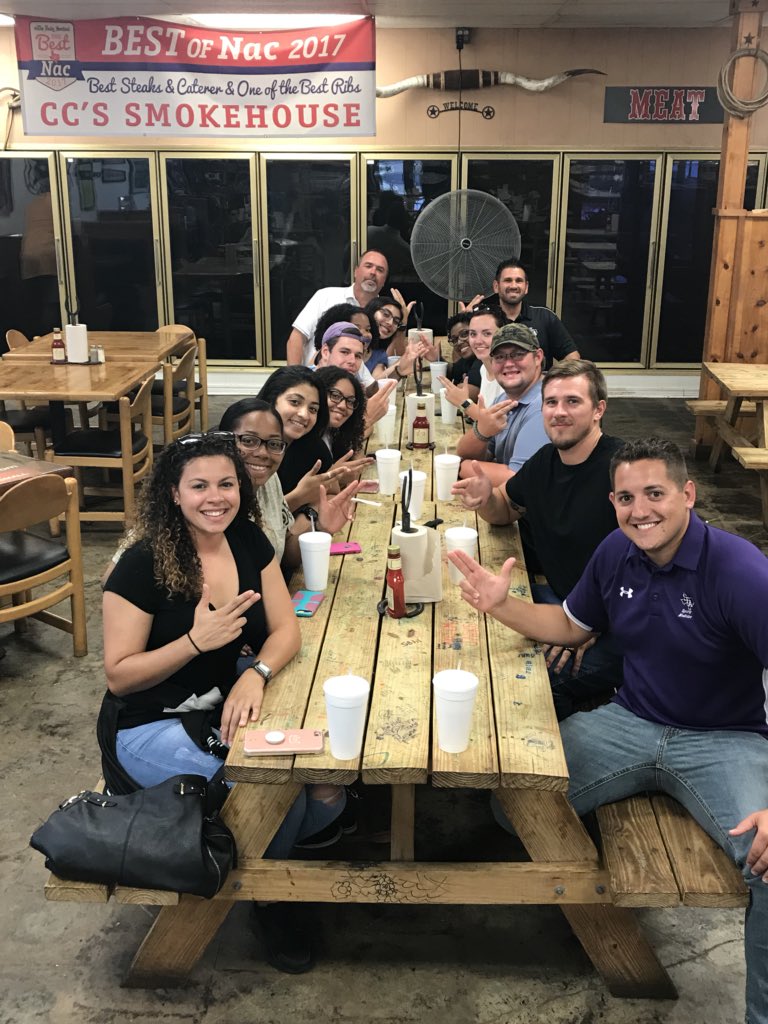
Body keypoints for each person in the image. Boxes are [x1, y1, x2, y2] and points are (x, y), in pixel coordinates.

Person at [448, 437, 768, 1024]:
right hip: (631, 720)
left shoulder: (741, 570)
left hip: (724, 740)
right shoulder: (617, 551)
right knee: (515, 806)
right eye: (625, 497)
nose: (639, 510)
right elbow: (569, 626)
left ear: (688, 495)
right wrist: (501, 605)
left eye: (655, 494)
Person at [99, 432, 346, 972]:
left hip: (220, 703)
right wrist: (194, 641)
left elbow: (287, 631)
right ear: (172, 492)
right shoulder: (142, 563)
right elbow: (119, 677)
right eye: (200, 486)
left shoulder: (248, 542)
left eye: (227, 484)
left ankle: (245, 855)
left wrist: (255, 674)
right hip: (147, 725)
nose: (216, 497)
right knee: (276, 796)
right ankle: (269, 901)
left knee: (328, 794)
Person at [453, 359, 624, 718]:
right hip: (563, 603)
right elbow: (506, 511)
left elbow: (657, 564)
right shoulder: (547, 459)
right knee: (474, 637)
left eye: (573, 402)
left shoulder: (622, 472)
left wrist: (591, 625)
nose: (559, 412)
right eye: (551, 402)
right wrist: (486, 498)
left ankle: (563, 752)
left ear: (599, 410)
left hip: (615, 627)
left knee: (532, 683)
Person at [218, 397, 358, 568]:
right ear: (223, 442)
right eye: (248, 441)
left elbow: (285, 554)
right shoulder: (215, 503)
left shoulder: (269, 480)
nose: (263, 453)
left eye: (274, 444)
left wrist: (322, 527)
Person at [258, 367, 368, 515]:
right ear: (272, 399)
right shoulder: (241, 448)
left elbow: (332, 496)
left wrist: (311, 513)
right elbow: (246, 523)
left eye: (313, 409)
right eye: (295, 402)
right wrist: (299, 497)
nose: (304, 414)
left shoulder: (314, 449)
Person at [454, 322, 549, 485]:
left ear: (538, 357)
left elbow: (519, 479)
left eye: (518, 354)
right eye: (499, 357)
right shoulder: (504, 399)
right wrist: (482, 431)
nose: (508, 363)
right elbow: (478, 455)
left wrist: (458, 467)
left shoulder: (545, 405)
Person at [285, 250, 389, 367]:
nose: (373, 272)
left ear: (384, 280)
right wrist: (295, 379)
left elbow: (388, 356)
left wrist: (402, 324)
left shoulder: (385, 315)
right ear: (355, 271)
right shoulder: (325, 296)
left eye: (380, 270)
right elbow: (297, 338)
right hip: (312, 378)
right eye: (368, 266)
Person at [482, 259, 580, 368]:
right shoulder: (485, 320)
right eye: (508, 280)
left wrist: (552, 379)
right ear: (496, 286)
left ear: (526, 287)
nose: (513, 286)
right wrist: (464, 321)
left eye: (519, 280)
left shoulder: (544, 316)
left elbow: (572, 356)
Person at [439, 306, 504, 413]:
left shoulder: (508, 374)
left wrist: (464, 403)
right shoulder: (484, 369)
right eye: (473, 334)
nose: (478, 341)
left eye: (487, 333)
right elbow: (484, 420)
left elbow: (493, 424)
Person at [314, 366, 367, 462]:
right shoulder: (301, 437)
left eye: (350, 401)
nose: (343, 406)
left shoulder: (332, 433)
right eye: (335, 395)